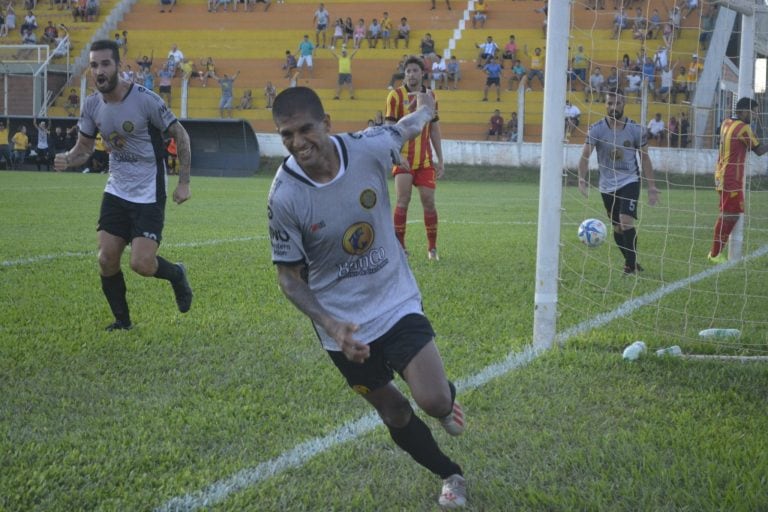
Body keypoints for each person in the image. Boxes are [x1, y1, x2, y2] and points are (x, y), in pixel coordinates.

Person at [268, 86, 467, 509]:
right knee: (393, 411)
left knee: (433, 401)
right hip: (342, 327)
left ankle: (446, 397)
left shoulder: (367, 146)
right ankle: (451, 473)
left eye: (306, 129)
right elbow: (289, 278)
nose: (298, 142)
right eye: (287, 135)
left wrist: (427, 110)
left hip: (393, 298)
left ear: (327, 124)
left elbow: (405, 127)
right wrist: (332, 325)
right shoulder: (284, 195)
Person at [52, 39, 193, 331]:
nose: (99, 70)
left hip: (149, 192)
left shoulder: (145, 100)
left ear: (118, 65)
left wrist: (184, 182)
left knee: (141, 264)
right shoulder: (91, 105)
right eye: (94, 65)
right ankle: (123, 321)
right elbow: (85, 148)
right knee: (106, 258)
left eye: (105, 63)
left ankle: (177, 274)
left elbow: (181, 134)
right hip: (116, 190)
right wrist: (68, 159)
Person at [578, 87, 659, 274]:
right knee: (617, 228)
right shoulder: (596, 129)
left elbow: (645, 158)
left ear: (624, 104)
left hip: (630, 180)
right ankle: (632, 262)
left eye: (618, 103)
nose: (614, 107)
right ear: (605, 105)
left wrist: (652, 186)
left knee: (625, 222)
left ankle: (629, 267)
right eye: (610, 103)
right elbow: (585, 156)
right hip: (606, 186)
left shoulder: (636, 129)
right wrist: (581, 179)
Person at [385, 56, 444, 260]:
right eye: (408, 71)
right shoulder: (395, 96)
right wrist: (395, 156)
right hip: (403, 158)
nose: (411, 74)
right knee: (403, 200)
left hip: (425, 160)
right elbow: (389, 129)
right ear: (404, 74)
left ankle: (432, 248)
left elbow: (434, 129)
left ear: (422, 74)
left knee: (429, 201)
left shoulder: (430, 96)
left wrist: (440, 159)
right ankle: (400, 248)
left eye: (415, 71)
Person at [708, 97, 768, 263]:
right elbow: (759, 150)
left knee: (730, 214)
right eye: (754, 111)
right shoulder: (743, 128)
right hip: (731, 177)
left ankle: (716, 252)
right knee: (730, 214)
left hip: (722, 174)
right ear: (744, 110)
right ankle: (715, 254)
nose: (755, 115)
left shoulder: (727, 122)